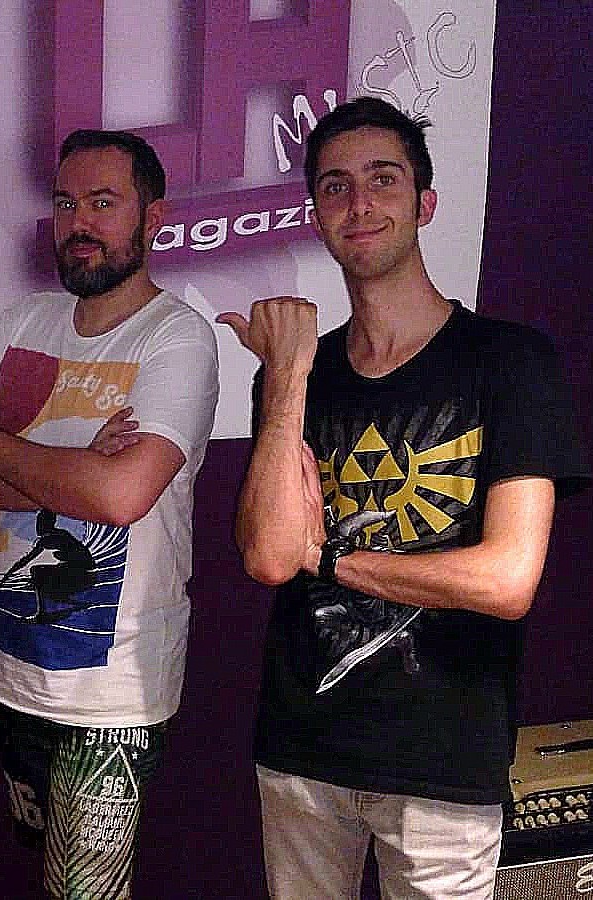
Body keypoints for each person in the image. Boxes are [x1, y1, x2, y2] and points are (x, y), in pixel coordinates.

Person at [217, 96, 590, 899]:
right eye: (335, 186)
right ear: (314, 215)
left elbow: (505, 580)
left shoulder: (509, 362)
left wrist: (330, 558)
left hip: (441, 762)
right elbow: (268, 557)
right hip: (301, 749)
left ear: (424, 203)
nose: (358, 203)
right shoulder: (296, 376)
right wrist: (286, 376)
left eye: (382, 179)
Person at [0, 129, 218, 898]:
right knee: (35, 871)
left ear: (153, 217)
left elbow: (121, 498)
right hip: (9, 666)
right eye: (64, 203)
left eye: (102, 202)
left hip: (110, 691)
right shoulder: (24, 322)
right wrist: (74, 470)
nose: (77, 222)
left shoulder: (175, 338)